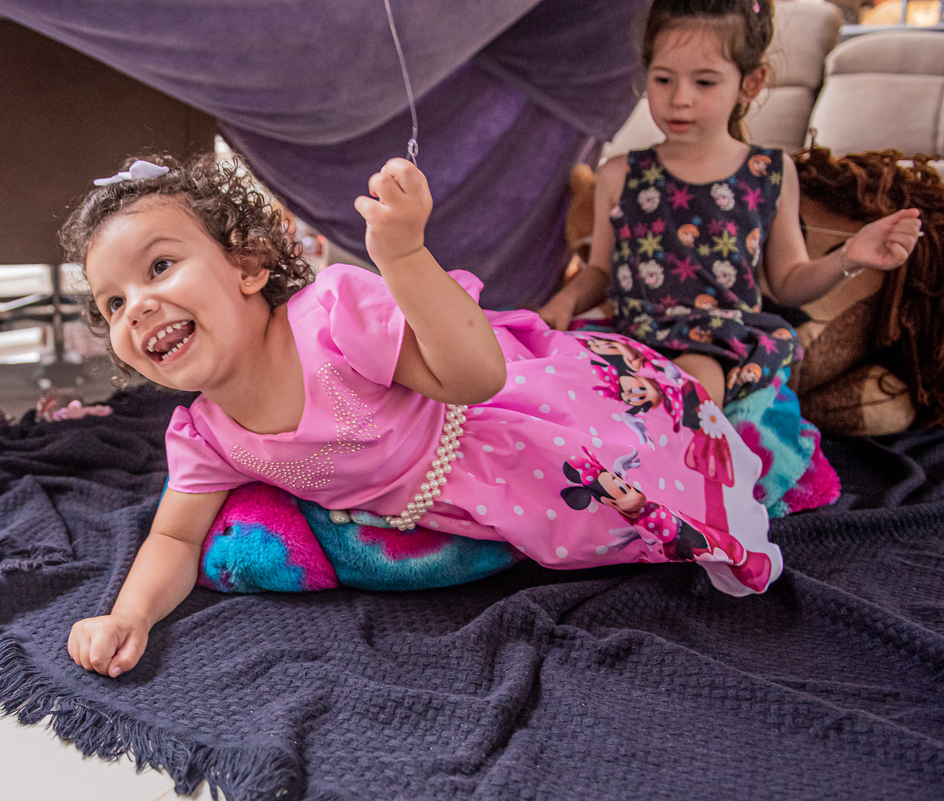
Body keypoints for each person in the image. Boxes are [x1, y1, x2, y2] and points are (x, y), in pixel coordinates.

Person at [64, 151, 782, 679]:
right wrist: (130, 614)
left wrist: (403, 259)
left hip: (498, 430)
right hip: (438, 512)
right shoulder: (206, 435)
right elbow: (175, 536)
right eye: (114, 303)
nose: (140, 306)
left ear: (249, 267)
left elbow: (474, 376)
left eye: (159, 267)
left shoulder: (331, 319)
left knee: (644, 472)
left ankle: (739, 405)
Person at [537, 0, 922, 407]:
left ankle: (683, 464)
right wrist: (565, 300)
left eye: (704, 82)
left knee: (694, 381)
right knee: (560, 384)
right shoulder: (619, 174)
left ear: (750, 84)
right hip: (632, 341)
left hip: (718, 347)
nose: (679, 98)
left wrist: (849, 256)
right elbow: (599, 269)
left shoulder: (769, 172)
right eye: (663, 79)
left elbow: (789, 283)